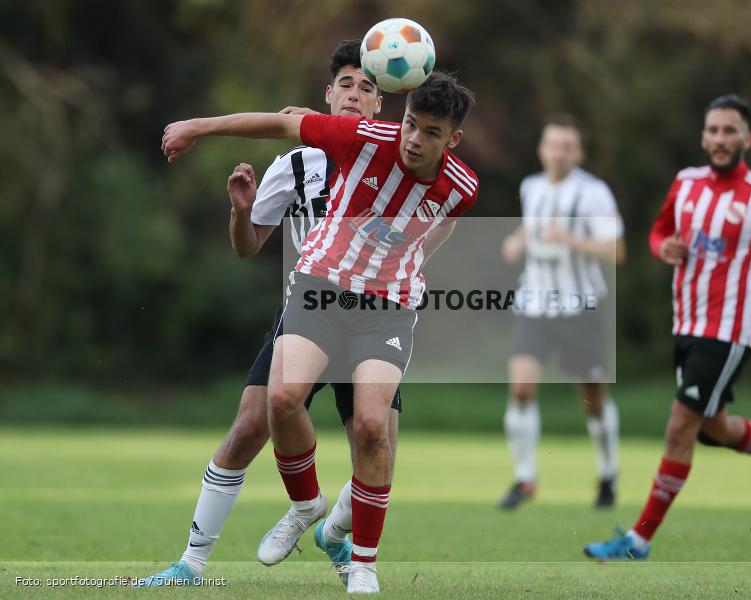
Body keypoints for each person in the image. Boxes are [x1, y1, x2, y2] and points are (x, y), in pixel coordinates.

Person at [161, 71, 478, 593]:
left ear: (452, 138)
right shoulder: (349, 143)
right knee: (275, 406)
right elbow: (274, 127)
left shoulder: (462, 185)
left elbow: (448, 216)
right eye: (411, 126)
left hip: (384, 309)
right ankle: (295, 510)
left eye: (431, 132)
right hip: (317, 293)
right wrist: (196, 127)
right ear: (330, 94)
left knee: (375, 434)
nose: (415, 140)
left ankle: (358, 560)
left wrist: (411, 259)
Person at [133, 40, 402, 588]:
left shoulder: (393, 163)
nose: (355, 94)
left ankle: (338, 540)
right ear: (327, 95)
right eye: (346, 85)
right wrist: (239, 213)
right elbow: (248, 246)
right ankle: (192, 562)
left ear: (380, 105)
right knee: (248, 428)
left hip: (372, 313)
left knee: (376, 443)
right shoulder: (297, 162)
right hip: (306, 311)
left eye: (367, 88)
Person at [584, 94, 751, 561]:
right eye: (712, 130)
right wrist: (663, 248)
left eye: (729, 131)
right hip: (687, 325)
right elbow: (658, 232)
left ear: (746, 138)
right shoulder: (686, 183)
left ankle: (638, 541)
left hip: (730, 330)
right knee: (714, 428)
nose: (719, 139)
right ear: (703, 136)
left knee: (681, 426)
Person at [499, 114, 625, 509]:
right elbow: (532, 228)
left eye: (567, 147)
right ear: (541, 149)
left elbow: (617, 251)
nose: (559, 153)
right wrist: (517, 240)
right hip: (534, 302)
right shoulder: (531, 186)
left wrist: (571, 239)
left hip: (580, 306)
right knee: (520, 389)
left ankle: (607, 472)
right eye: (553, 145)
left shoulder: (594, 193)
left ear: (579, 152)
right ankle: (525, 479)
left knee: (593, 399)